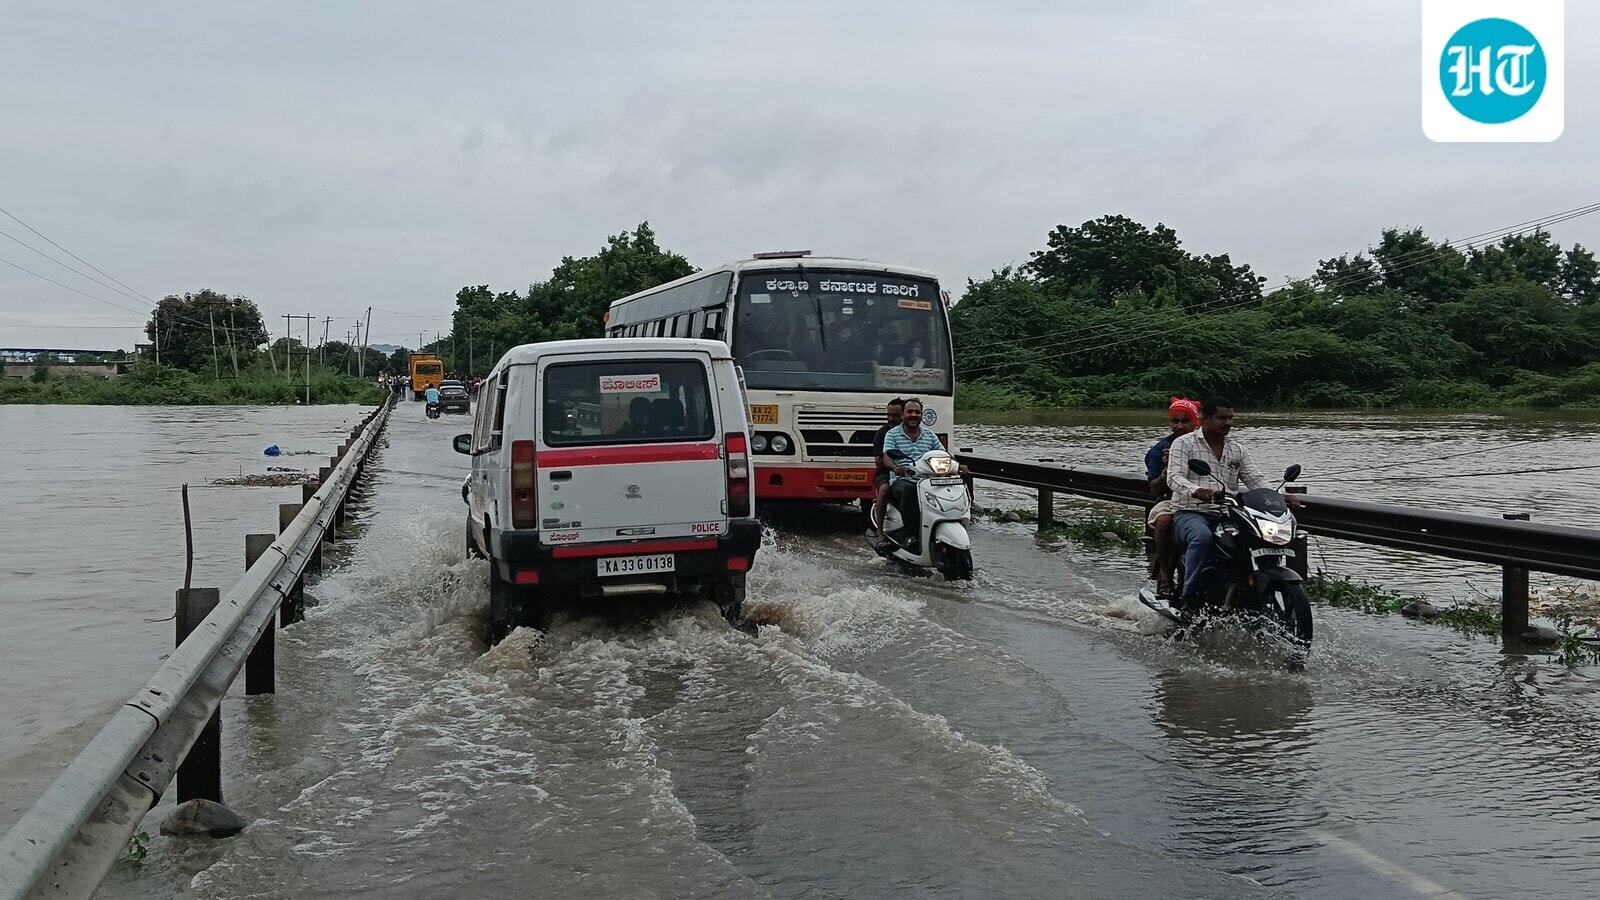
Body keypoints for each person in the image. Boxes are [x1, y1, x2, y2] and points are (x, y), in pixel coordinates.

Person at [1166, 396, 1296, 612]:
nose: (1228, 423)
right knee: (1202, 537)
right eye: (1222, 418)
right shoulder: (1184, 443)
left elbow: (1255, 479)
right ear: (1205, 418)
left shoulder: (1237, 450)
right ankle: (1189, 596)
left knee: (1251, 538)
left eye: (1230, 418)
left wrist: (1278, 496)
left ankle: (1243, 589)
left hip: (1228, 513)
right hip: (1190, 511)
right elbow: (1174, 477)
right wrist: (1199, 491)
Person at [1145, 398, 1200, 599]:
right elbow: (1154, 487)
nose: (1179, 426)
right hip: (1170, 500)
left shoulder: (1206, 444)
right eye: (1175, 421)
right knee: (1164, 520)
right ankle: (1165, 574)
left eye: (1185, 421)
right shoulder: (1160, 449)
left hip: (1203, 501)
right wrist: (1166, 470)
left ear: (1196, 422)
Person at [878, 397, 943, 549]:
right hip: (903, 480)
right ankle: (909, 536)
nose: (913, 415)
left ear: (921, 415)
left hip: (927, 480)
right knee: (908, 490)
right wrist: (895, 468)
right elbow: (887, 456)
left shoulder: (929, 435)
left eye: (917, 412)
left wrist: (958, 465)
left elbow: (942, 453)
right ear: (903, 415)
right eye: (910, 412)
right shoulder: (892, 434)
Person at [869, 398, 906, 541]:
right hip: (885, 473)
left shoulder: (919, 433)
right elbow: (879, 462)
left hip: (911, 472)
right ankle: (880, 532)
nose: (891, 419)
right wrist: (895, 465)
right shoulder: (884, 433)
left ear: (904, 415)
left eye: (895, 416)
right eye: (888, 415)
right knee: (884, 489)